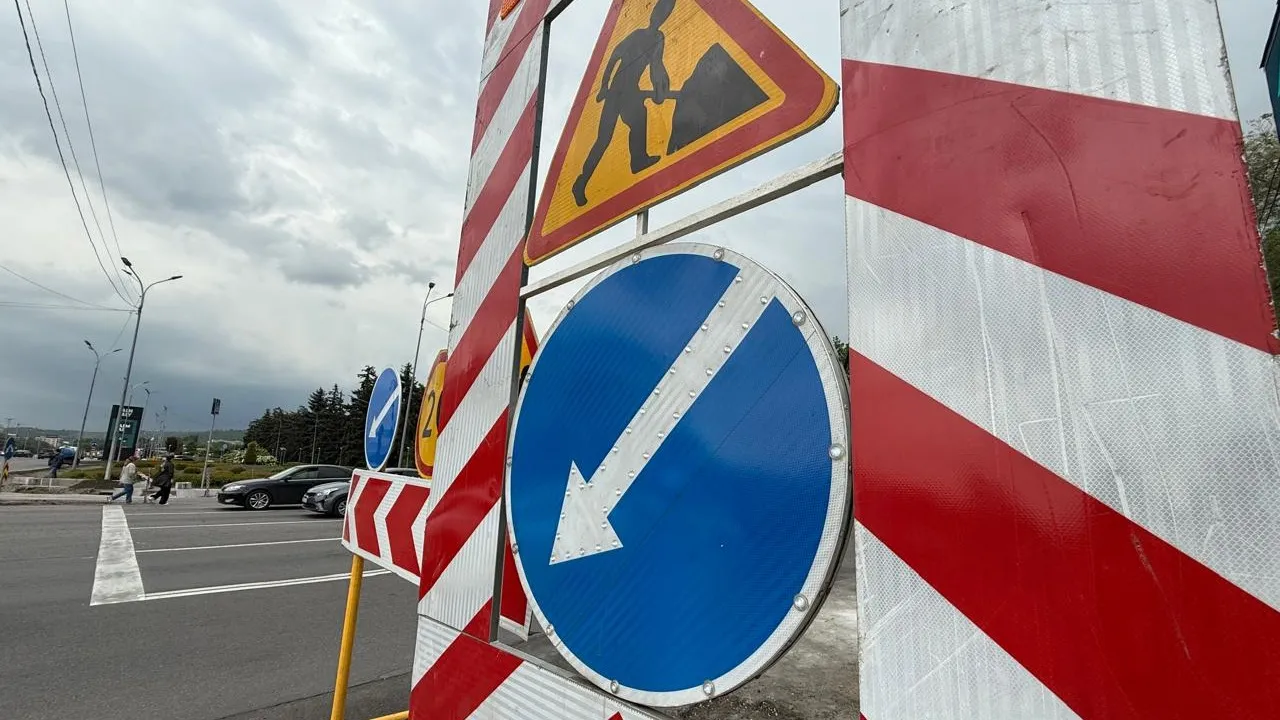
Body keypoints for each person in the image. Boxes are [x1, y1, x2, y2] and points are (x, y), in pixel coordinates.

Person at [572, 0, 676, 206]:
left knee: (639, 119)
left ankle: (638, 159)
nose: (659, 15)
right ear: (653, 12)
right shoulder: (637, 34)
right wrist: (604, 85)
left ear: (666, 16)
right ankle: (580, 182)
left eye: (665, 12)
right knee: (603, 139)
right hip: (616, 92)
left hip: (632, 93)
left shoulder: (658, 38)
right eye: (658, 10)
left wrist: (659, 91)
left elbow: (656, 66)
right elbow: (614, 56)